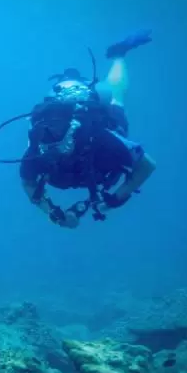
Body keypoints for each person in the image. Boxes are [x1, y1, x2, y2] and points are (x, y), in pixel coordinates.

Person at [19, 31, 157, 228]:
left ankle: (119, 54)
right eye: (47, 130)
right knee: (116, 96)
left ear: (73, 126)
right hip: (84, 168)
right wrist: (53, 213)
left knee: (116, 96)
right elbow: (28, 182)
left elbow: (146, 164)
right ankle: (117, 55)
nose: (51, 137)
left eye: (57, 130)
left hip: (96, 142)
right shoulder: (36, 147)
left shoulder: (100, 137)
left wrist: (114, 200)